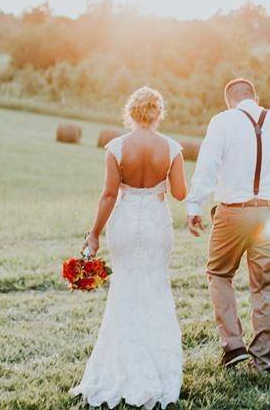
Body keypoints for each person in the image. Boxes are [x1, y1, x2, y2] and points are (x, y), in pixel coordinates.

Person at [186, 78, 270, 372]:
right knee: (266, 284)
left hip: (233, 212)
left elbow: (207, 166)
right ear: (256, 97)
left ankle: (233, 345)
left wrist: (194, 204)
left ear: (229, 101)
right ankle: (261, 361)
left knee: (219, 273)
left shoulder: (222, 121)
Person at [71, 87, 187, 409]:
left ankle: (118, 369)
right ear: (157, 113)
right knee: (155, 287)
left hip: (123, 224)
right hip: (155, 224)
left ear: (132, 113)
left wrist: (93, 234)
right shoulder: (172, 148)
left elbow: (109, 196)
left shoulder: (117, 147)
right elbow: (179, 193)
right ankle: (158, 371)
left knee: (124, 290)